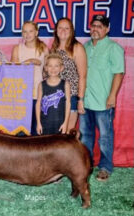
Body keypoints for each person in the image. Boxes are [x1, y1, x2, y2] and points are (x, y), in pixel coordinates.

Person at [80, 15, 124, 182]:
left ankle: (105, 167)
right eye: (93, 26)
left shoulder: (114, 48)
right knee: (85, 135)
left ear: (107, 29)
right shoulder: (85, 47)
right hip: (86, 100)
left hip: (103, 101)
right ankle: (86, 164)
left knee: (105, 136)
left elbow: (118, 73)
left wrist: (112, 95)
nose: (95, 29)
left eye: (99, 26)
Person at [11, 21, 49, 135]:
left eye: (31, 31)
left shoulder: (44, 48)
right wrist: (28, 62)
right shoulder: (17, 48)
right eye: (24, 31)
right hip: (21, 96)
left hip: (39, 94)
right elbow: (12, 71)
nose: (27, 34)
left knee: (36, 129)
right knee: (21, 130)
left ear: (36, 32)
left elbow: (49, 71)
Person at [51, 17, 87, 132]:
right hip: (55, 96)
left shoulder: (77, 48)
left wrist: (80, 100)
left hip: (70, 97)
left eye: (67, 28)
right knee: (56, 133)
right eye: (60, 28)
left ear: (71, 31)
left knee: (67, 134)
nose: (63, 31)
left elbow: (82, 76)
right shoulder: (54, 48)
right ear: (56, 30)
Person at [36, 53, 71, 135]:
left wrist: (65, 123)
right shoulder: (41, 85)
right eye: (50, 66)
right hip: (45, 123)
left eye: (56, 66)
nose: (53, 69)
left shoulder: (65, 84)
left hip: (60, 124)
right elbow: (38, 104)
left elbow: (68, 104)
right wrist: (38, 123)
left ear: (61, 68)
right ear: (46, 68)